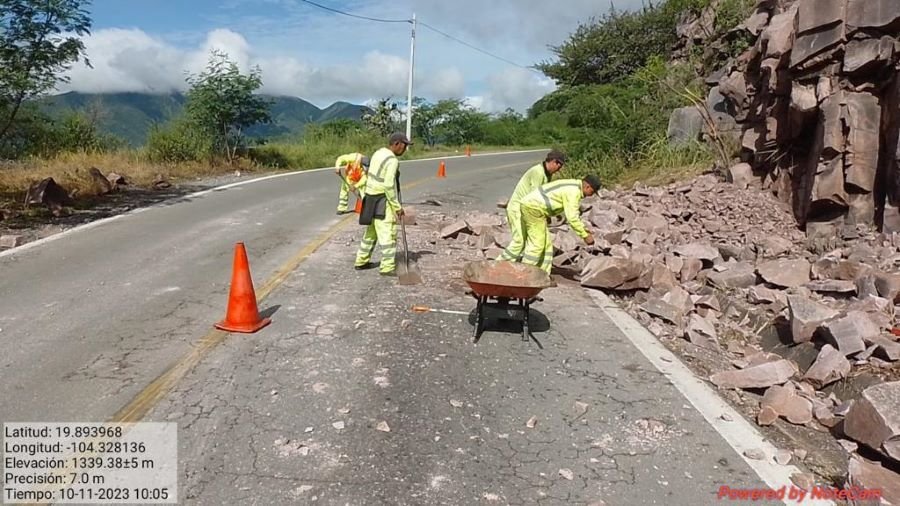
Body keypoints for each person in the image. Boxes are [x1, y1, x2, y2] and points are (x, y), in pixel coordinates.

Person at [353, 132, 412, 276]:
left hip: (370, 198)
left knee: (371, 233)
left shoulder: (379, 153)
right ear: (397, 144)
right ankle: (387, 267)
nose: (405, 150)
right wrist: (397, 207)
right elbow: (388, 186)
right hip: (382, 201)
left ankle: (361, 261)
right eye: (404, 146)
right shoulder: (392, 161)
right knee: (388, 234)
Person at [518, 175, 602, 274]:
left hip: (534, 206)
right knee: (537, 244)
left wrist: (583, 228)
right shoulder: (574, 192)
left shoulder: (573, 184)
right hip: (533, 208)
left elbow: (553, 197)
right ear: (587, 187)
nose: (591, 195)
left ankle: (543, 274)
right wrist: (585, 235)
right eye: (592, 192)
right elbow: (572, 218)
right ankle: (524, 274)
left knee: (547, 245)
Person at [496, 150, 566, 262]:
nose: (559, 169)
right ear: (554, 162)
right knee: (519, 241)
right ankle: (498, 264)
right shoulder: (538, 172)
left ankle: (511, 264)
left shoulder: (546, 174)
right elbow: (536, 197)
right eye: (560, 165)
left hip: (524, 209)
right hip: (517, 209)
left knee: (526, 240)